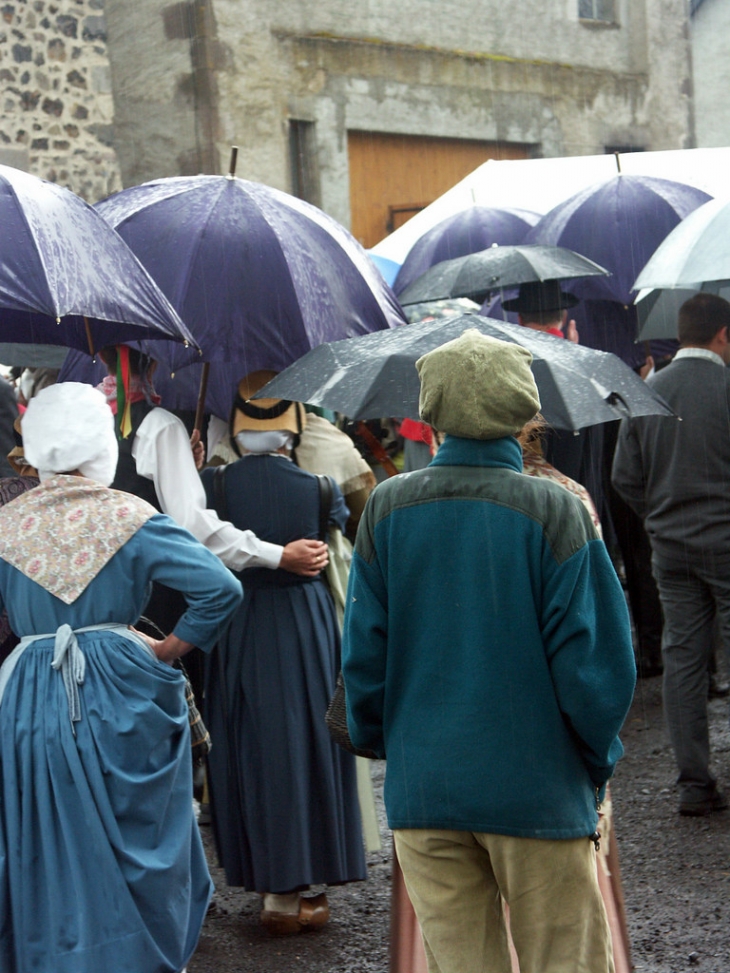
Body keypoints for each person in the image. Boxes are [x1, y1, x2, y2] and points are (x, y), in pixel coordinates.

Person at [342, 329, 636, 973]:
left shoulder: (386, 510)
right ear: (527, 413)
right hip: (538, 787)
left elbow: (364, 658)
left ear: (430, 414)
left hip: (425, 790)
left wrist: (387, 741)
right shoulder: (554, 510)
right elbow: (597, 669)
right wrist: (596, 761)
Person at [0, 382, 243, 973]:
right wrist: (167, 649)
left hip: (28, 687)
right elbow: (220, 588)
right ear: (99, 442)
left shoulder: (7, 522)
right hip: (119, 683)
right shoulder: (130, 517)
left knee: (45, 836)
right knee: (137, 833)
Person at [201, 372, 366, 935]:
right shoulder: (320, 487)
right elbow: (343, 533)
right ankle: (313, 884)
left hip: (240, 620)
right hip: (306, 622)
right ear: (292, 427)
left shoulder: (213, 485)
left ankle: (273, 889)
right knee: (313, 742)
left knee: (252, 743)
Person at [612, 292, 730, 817]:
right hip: (726, 543)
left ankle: (694, 785)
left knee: (683, 659)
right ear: (722, 335)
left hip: (670, 547)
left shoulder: (646, 393)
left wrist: (659, 516)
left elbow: (623, 478)